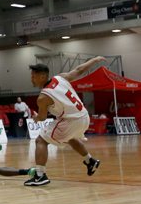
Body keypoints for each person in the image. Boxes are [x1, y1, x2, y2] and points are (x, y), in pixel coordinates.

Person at [24, 57, 105, 186]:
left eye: (34, 76)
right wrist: (94, 60)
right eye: (31, 76)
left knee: (41, 140)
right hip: (84, 116)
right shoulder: (60, 78)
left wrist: (35, 118)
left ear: (43, 76)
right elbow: (79, 70)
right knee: (70, 138)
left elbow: (42, 118)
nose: (31, 78)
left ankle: (40, 175)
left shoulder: (43, 97)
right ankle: (90, 161)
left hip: (71, 121)